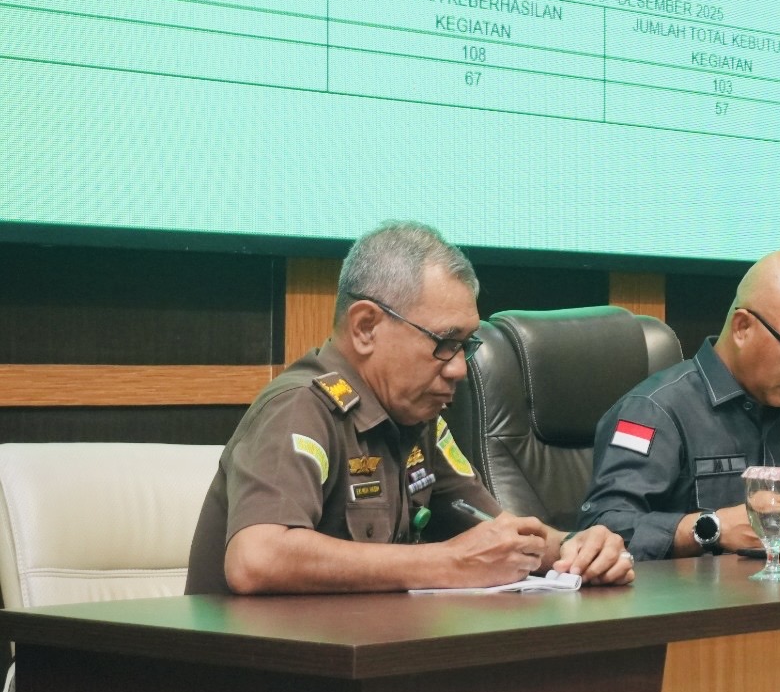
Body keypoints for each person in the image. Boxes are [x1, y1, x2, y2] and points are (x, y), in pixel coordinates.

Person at [186, 221, 634, 594]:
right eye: (445, 342)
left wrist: (576, 547)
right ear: (366, 327)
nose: (459, 369)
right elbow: (257, 558)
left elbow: (498, 532)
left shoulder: (418, 420)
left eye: (466, 345)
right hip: (257, 669)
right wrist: (447, 562)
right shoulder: (300, 407)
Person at [578, 250, 780, 560]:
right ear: (742, 327)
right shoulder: (655, 410)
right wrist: (712, 528)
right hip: (686, 590)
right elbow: (602, 527)